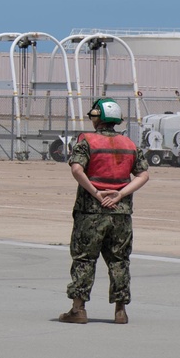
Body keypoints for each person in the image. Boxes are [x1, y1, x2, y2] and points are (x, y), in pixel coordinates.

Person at [59, 97, 149, 325]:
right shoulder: (130, 144)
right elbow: (143, 175)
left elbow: (77, 169)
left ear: (99, 118)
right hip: (121, 213)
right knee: (119, 260)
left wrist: (95, 192)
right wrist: (120, 194)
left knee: (84, 259)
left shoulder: (86, 141)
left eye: (93, 115)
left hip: (90, 213)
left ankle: (78, 309)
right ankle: (121, 311)